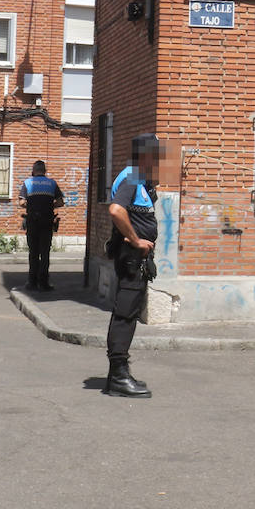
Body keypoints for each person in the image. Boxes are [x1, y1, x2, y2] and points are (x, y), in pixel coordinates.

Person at [103, 134, 162, 398]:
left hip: (135, 258)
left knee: (128, 313)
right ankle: (118, 377)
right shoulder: (132, 176)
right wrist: (137, 240)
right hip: (131, 258)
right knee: (125, 314)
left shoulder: (140, 178)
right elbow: (116, 210)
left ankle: (119, 373)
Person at [18, 160, 64, 292]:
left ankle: (32, 282)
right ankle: (44, 283)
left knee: (33, 252)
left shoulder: (28, 183)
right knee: (45, 252)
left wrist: (32, 206)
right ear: (45, 171)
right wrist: (49, 205)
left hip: (32, 221)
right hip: (47, 221)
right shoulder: (52, 183)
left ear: (33, 171)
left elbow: (21, 203)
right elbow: (60, 202)